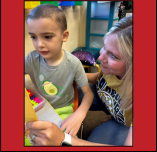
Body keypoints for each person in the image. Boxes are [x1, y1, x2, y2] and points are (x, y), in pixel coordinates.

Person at [25, 15, 133, 146]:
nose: (100, 57)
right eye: (104, 47)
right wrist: (67, 74)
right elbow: (95, 79)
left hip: (122, 125)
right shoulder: (108, 71)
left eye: (114, 56)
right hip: (105, 103)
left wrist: (66, 139)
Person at [25, 4, 93, 137]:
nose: (39, 44)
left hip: (63, 109)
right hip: (38, 106)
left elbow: (88, 94)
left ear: (64, 36)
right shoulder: (31, 58)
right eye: (33, 37)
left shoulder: (73, 63)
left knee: (60, 140)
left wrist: (80, 114)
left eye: (48, 37)